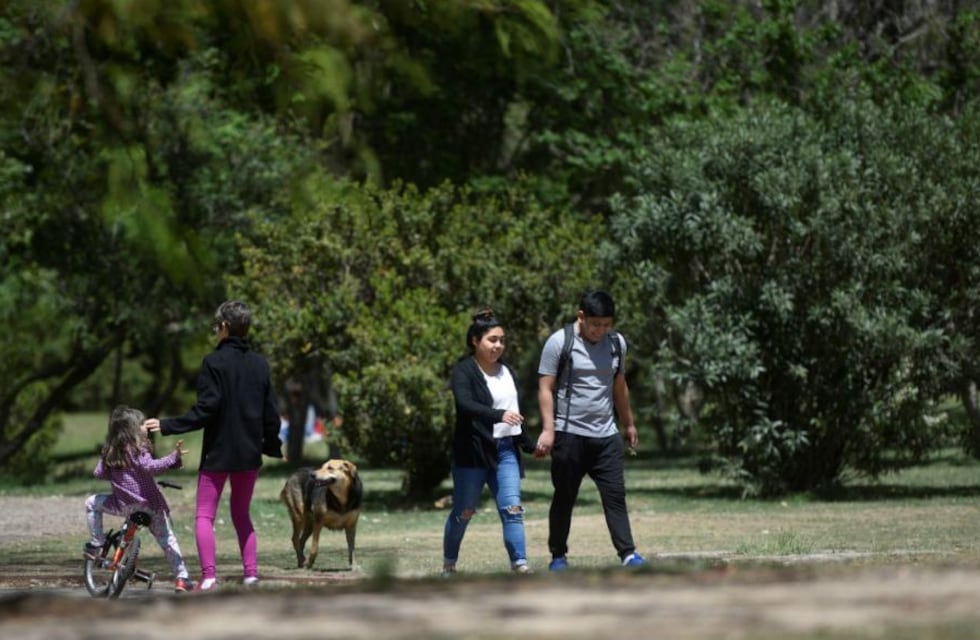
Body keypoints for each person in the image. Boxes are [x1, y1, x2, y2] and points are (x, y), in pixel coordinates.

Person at [144, 300, 283, 590]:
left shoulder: (213, 362)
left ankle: (208, 578)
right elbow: (271, 412)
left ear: (225, 327)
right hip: (248, 453)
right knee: (241, 514)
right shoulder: (260, 364)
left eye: (216, 326)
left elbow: (206, 410)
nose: (215, 330)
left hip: (218, 454)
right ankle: (251, 574)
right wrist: (270, 444)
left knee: (205, 515)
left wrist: (168, 425)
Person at [535, 290, 647, 570]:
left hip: (606, 435)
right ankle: (558, 556)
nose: (601, 330)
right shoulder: (560, 342)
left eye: (607, 324)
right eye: (596, 324)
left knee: (615, 496)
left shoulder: (616, 344)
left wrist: (629, 423)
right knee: (564, 497)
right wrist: (549, 430)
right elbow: (545, 388)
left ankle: (628, 553)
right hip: (569, 434)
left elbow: (619, 386)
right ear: (581, 316)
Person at [443, 308, 535, 576]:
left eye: (502, 340)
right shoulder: (464, 371)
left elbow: (514, 413)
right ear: (475, 341)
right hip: (472, 453)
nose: (498, 345)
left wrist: (529, 445)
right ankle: (449, 564)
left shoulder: (507, 372)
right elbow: (465, 405)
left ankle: (520, 564)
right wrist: (498, 415)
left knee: (512, 508)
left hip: (505, 451)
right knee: (465, 511)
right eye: (492, 339)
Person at [84, 405, 194, 593]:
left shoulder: (111, 451)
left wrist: (117, 473)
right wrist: (174, 458)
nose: (146, 426)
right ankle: (182, 578)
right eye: (142, 424)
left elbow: (98, 473)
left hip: (123, 506)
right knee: (168, 540)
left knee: (91, 503)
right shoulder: (139, 448)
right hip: (151, 506)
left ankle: (97, 543)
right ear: (132, 429)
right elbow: (150, 467)